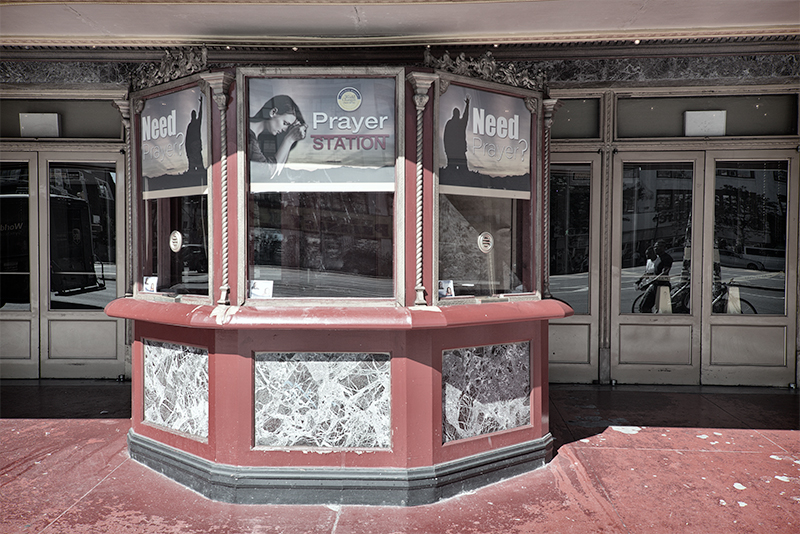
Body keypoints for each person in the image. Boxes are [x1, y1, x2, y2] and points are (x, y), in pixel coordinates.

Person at [249, 95, 307, 180]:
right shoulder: (250, 138)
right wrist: (289, 140)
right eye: (285, 123)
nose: (285, 129)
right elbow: (268, 172)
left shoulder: (252, 134)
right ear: (273, 112)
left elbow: (277, 170)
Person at [638, 240, 673, 313]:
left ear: (664, 248)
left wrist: (649, 283)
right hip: (654, 286)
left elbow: (664, 273)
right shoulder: (657, 258)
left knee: (663, 311)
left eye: (658, 247)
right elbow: (650, 272)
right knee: (643, 307)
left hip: (663, 286)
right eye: (655, 247)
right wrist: (641, 281)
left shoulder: (667, 258)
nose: (656, 248)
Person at [443, 95, 470, 171]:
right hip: (452, 151)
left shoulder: (459, 123)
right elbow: (446, 137)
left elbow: (466, 116)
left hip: (459, 151)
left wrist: (467, 105)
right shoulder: (451, 123)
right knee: (452, 168)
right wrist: (446, 149)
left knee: (463, 169)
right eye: (456, 113)